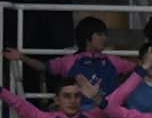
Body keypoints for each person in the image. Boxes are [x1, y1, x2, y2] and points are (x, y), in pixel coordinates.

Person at [3, 18, 135, 98]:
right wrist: (21, 57)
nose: (104, 38)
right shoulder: (69, 62)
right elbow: (43, 67)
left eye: (105, 34)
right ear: (87, 38)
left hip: (109, 113)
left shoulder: (113, 61)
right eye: (100, 34)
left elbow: (138, 69)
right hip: (80, 113)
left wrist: (122, 86)